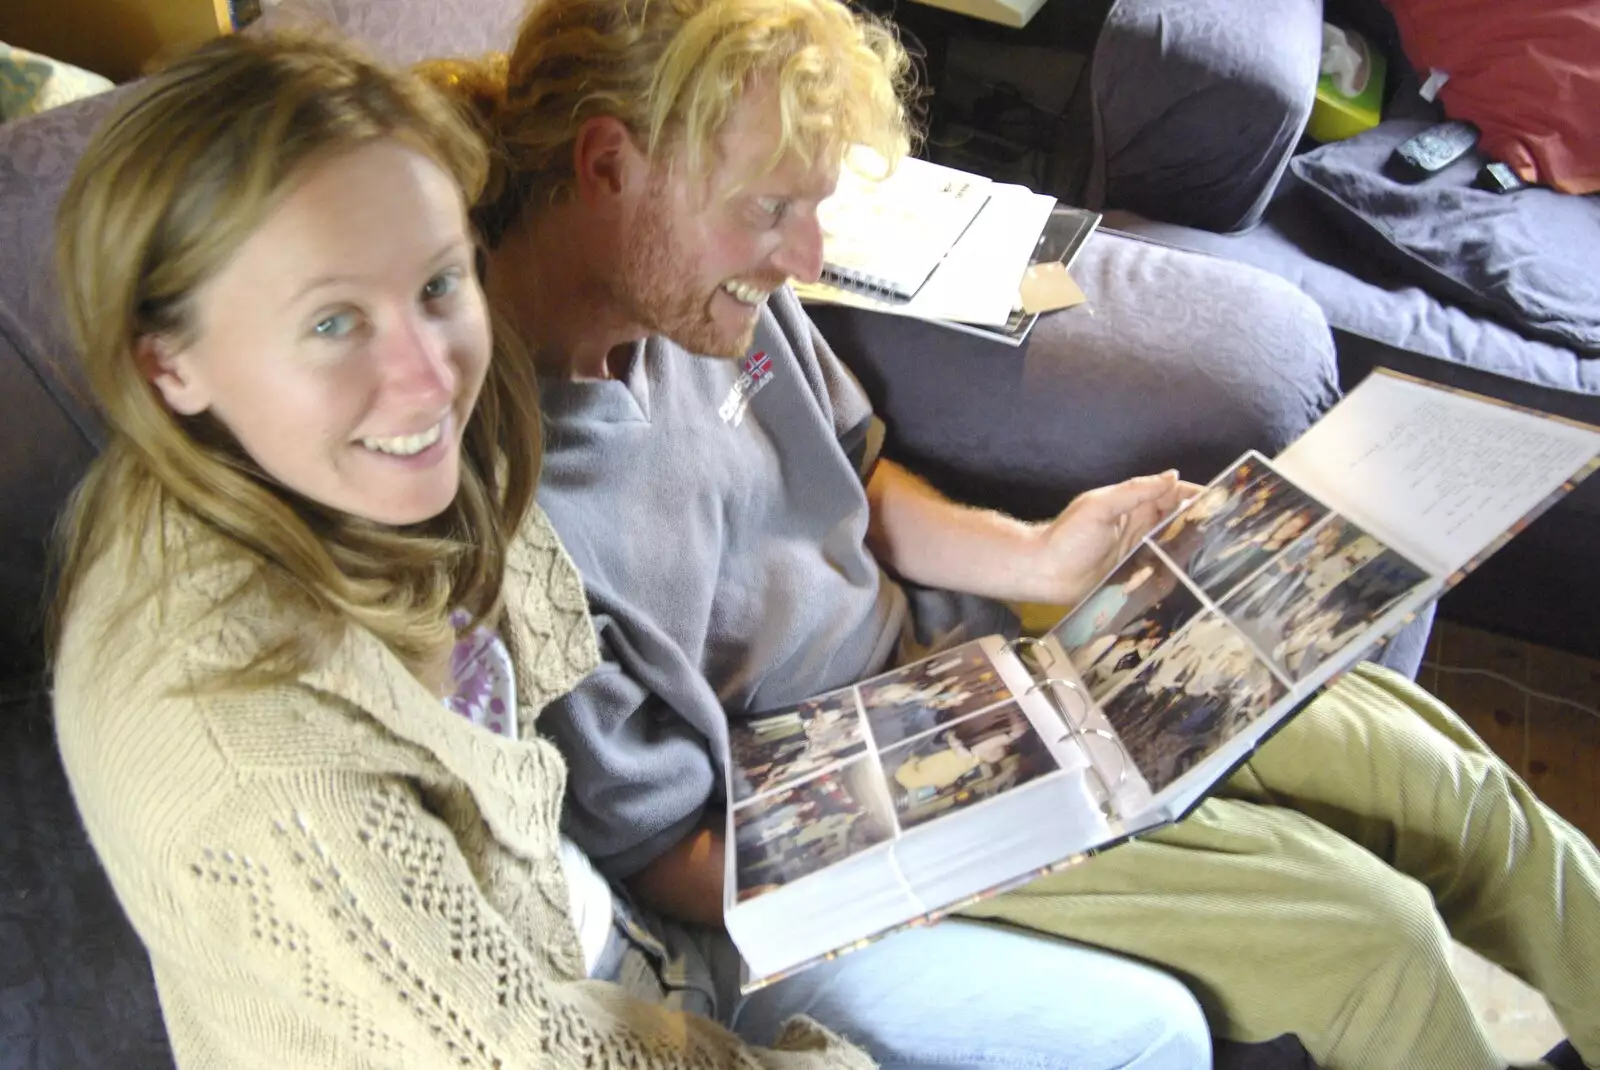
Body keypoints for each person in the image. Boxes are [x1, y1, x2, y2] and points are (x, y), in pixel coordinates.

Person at [431, 0, 1600, 1067]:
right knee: (1361, 929)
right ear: (608, 168)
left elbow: (856, 475)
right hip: (883, 803)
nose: (802, 261)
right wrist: (990, 815)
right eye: (769, 212)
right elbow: (672, 856)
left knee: (1444, 783)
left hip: (990, 653)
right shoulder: (506, 503)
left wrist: (1040, 554)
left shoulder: (708, 293)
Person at [45, 31, 1212, 1070]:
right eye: (332, 320)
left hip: (637, 940)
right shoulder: (258, 755)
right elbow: (524, 1036)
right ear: (169, 364)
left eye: (440, 282)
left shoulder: (407, 454)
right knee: (1154, 1031)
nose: (429, 374)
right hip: (631, 989)